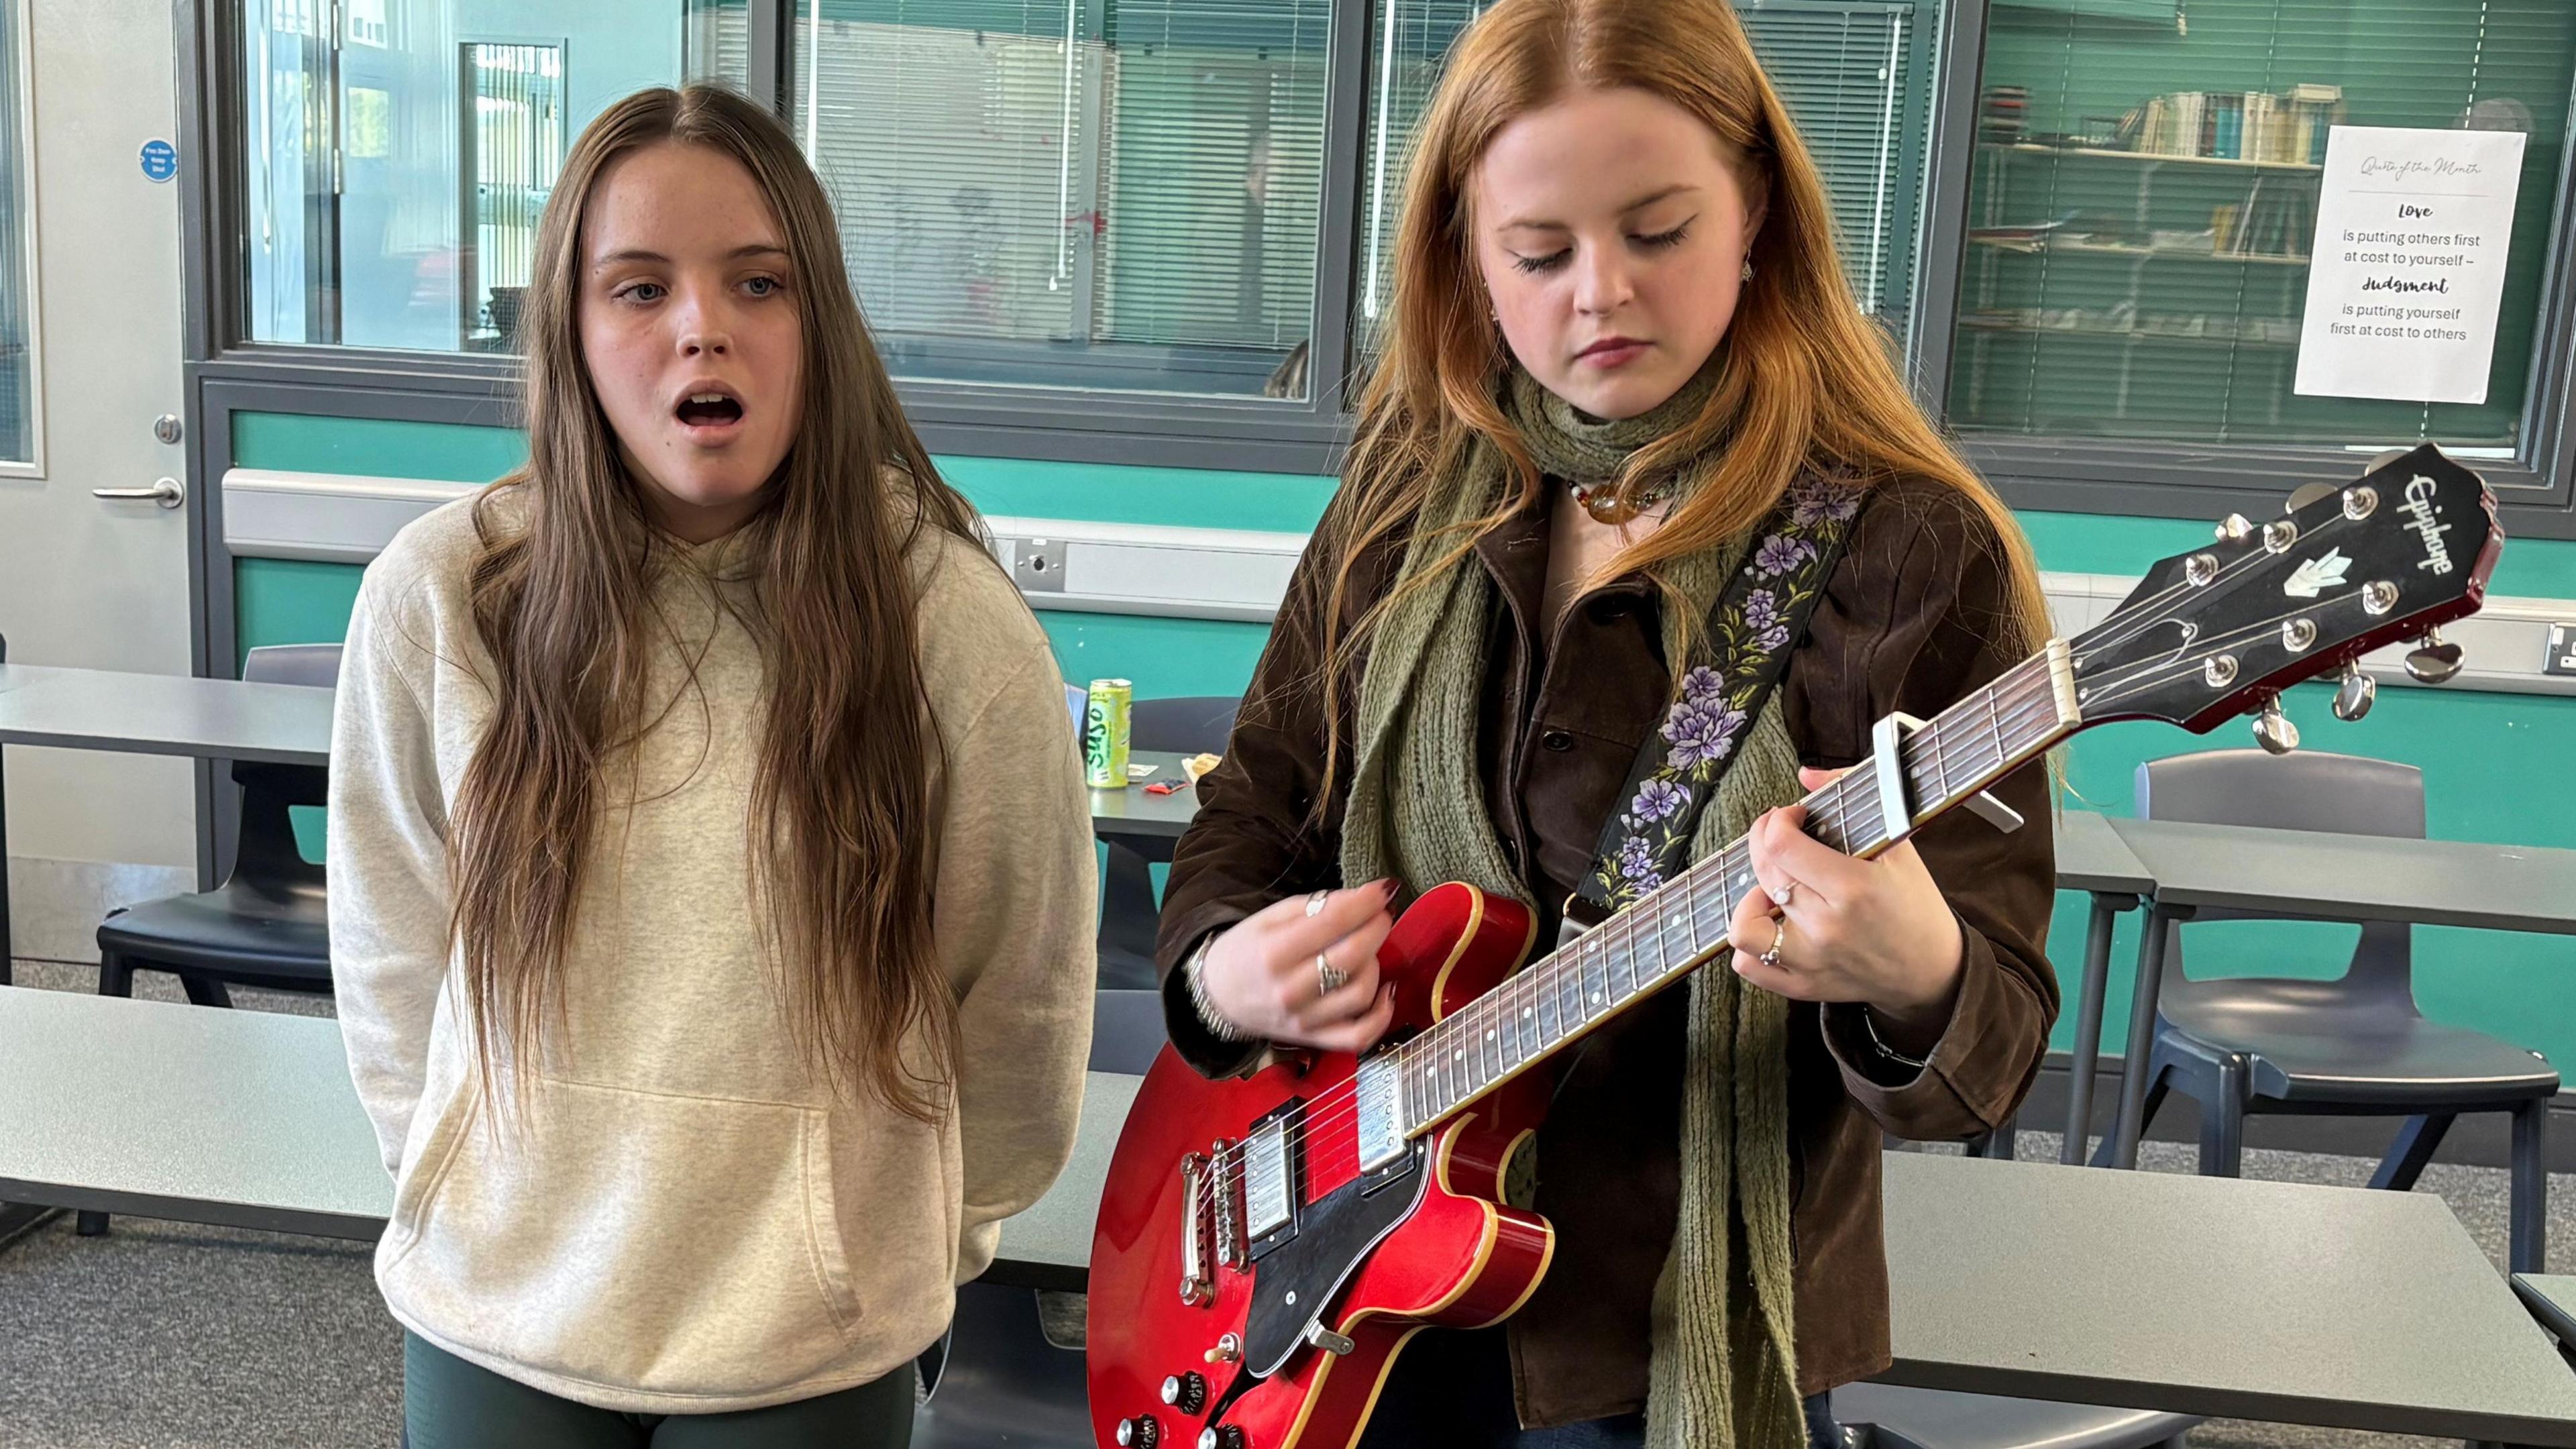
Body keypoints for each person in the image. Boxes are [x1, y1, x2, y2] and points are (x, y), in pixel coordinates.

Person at [1156, 3, 2057, 1446]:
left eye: (1657, 231)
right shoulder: (1405, 495)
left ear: (1757, 212)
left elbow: (1991, 1046)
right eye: (1540, 251)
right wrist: (1219, 974)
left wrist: (1916, 972)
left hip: (1665, 1356)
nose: (1600, 294)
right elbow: (1252, 812)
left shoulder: (1906, 551)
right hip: (1351, 1301)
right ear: (1465, 252)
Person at [328, 85, 1097, 1448]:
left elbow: (1015, 995)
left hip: (809, 1340)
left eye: (760, 282)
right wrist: (452, 1167)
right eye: (638, 288)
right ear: (570, 330)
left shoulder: (956, 632)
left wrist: (917, 1243)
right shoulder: (442, 598)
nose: (703, 326)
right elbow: (393, 947)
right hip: (499, 1308)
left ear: (823, 326)